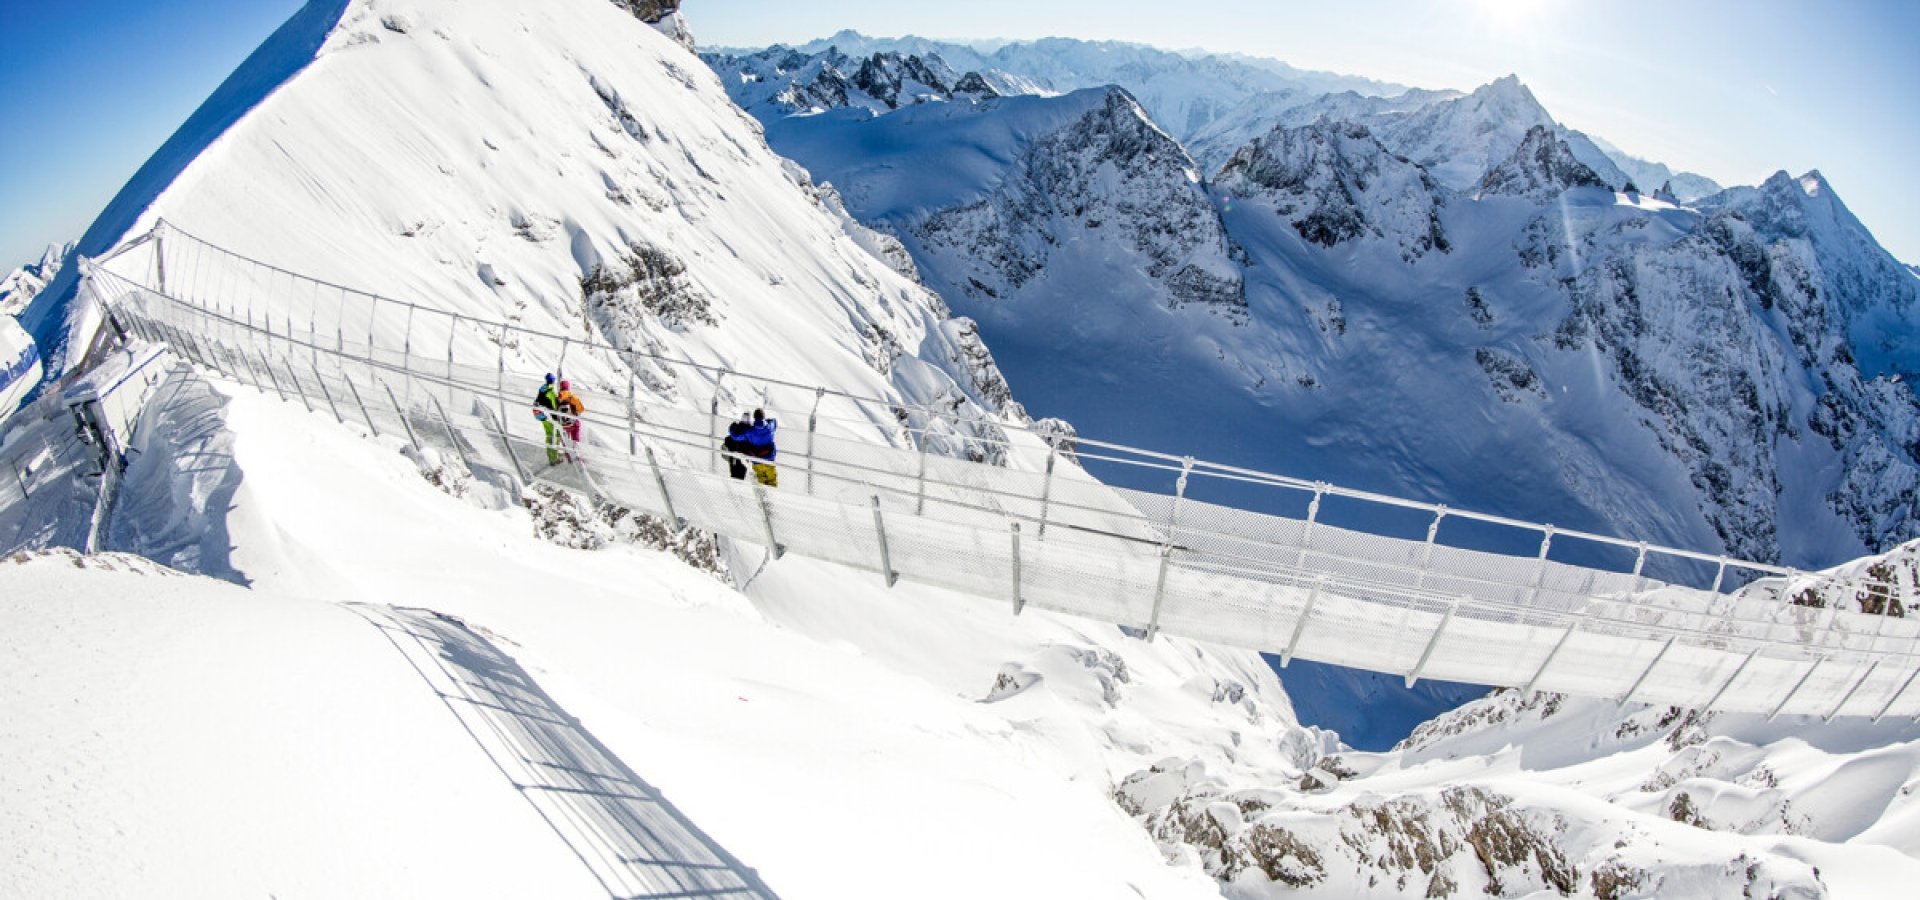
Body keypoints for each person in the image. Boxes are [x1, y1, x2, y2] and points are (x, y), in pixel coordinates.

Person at [742, 407, 778, 487]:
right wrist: (768, 421)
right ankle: (772, 494)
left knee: (761, 482)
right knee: (772, 481)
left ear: (754, 417)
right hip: (769, 459)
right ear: (763, 416)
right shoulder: (769, 428)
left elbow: (738, 436)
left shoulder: (750, 431)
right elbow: (775, 422)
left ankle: (762, 494)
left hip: (756, 460)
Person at [532, 373, 561, 465]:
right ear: (553, 381)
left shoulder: (543, 388)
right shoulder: (550, 392)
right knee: (556, 435)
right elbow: (553, 407)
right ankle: (554, 458)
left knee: (549, 434)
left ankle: (550, 456)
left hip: (541, 415)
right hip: (548, 416)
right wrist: (556, 418)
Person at [555, 379, 586, 447]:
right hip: (573, 424)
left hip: (563, 425)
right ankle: (576, 449)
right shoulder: (572, 397)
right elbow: (581, 409)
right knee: (576, 439)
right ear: (568, 387)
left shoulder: (557, 399)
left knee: (565, 441)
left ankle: (566, 450)